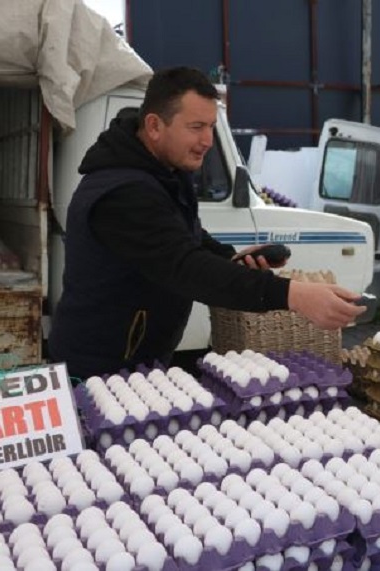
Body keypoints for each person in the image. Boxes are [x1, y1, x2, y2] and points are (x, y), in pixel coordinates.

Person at [49, 67, 363, 379]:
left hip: (138, 359)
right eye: (196, 127)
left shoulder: (164, 172)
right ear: (155, 126)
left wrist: (229, 258)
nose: (207, 141)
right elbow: (185, 267)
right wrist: (294, 295)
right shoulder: (123, 193)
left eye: (211, 126)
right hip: (99, 369)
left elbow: (188, 236)